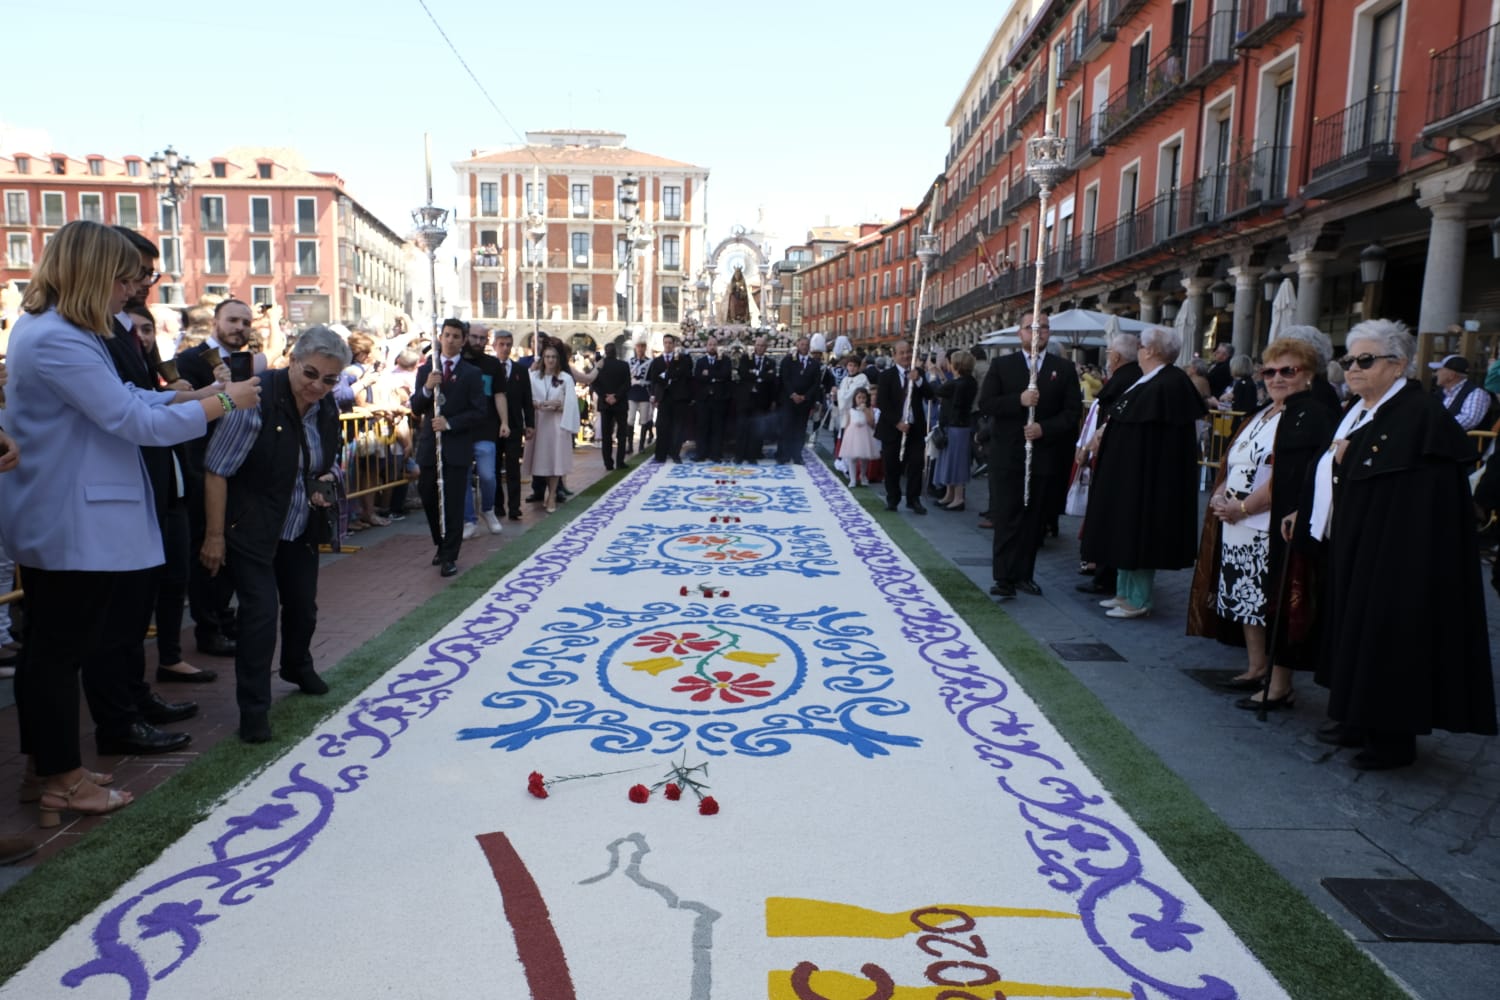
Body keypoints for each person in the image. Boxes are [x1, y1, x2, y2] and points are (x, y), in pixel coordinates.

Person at [0, 221, 258, 825]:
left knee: (53, 647)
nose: (129, 291)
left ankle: (49, 769)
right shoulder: (58, 337)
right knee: (59, 651)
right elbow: (130, 420)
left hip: (68, 511)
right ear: (94, 275)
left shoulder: (58, 330)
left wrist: (184, 399)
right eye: (124, 279)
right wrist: (221, 402)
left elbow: (127, 399)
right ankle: (62, 779)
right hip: (72, 516)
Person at [1304, 320, 1496, 769]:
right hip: (1360, 543)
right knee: (1354, 629)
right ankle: (1355, 716)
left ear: (1399, 364)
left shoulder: (1418, 415)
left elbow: (1416, 492)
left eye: (1365, 360)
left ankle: (1390, 738)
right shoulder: (1365, 408)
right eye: (1349, 360)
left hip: (1398, 554)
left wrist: (1352, 457)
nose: (1353, 368)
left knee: (1389, 636)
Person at [200, 327, 345, 743]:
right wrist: (214, 536)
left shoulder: (326, 406)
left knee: (303, 607)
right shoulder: (255, 398)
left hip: (299, 523)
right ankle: (254, 709)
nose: (318, 386)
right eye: (311, 374)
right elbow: (216, 469)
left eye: (330, 379)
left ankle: (297, 666)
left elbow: (324, 460)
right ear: (293, 360)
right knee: (260, 616)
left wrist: (325, 481)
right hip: (251, 526)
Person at [1188, 337, 1336, 710]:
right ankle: (1256, 667)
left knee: (1273, 604)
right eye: (1269, 371)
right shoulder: (1262, 411)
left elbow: (1289, 474)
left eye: (1288, 370)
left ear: (1308, 374)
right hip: (1237, 523)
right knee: (1246, 600)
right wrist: (1220, 495)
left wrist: (1243, 507)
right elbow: (1235, 460)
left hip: (1269, 525)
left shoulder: (1309, 414)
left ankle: (1280, 683)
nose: (1277, 378)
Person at [1081, 324, 1205, 618]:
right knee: (1124, 532)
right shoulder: (1149, 380)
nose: (1137, 351)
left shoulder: (1169, 384)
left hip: (1146, 478)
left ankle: (1138, 599)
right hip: (1128, 474)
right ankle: (1123, 592)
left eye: (1140, 346)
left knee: (1138, 535)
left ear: (1149, 351)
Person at [175, 298, 258, 658]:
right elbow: (186, 411)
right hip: (200, 467)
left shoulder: (247, 361)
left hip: (236, 468)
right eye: (233, 320)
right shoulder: (189, 361)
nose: (240, 327)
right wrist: (219, 392)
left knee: (229, 549)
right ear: (215, 321)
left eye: (246, 322)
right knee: (206, 551)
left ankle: (224, 618)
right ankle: (208, 629)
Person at [978, 315, 1082, 598]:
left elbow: (1072, 412)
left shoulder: (1063, 368)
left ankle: (1024, 574)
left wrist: (1044, 429)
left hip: (1043, 456)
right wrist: (1019, 400)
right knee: (1006, 516)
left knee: (1033, 520)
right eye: (1030, 328)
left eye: (1043, 327)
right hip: (1008, 455)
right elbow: (986, 404)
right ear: (1020, 333)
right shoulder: (1002, 365)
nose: (1037, 332)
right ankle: (1004, 577)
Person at [413, 319, 487, 577]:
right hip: (430, 447)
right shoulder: (427, 370)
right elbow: (416, 406)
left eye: (456, 336)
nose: (451, 340)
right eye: (447, 335)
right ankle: (440, 543)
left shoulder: (471, 373)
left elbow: (479, 411)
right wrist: (427, 388)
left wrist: (451, 423)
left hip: (456, 447)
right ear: (440, 337)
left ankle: (450, 556)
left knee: (454, 503)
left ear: (463, 340)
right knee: (428, 495)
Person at [1073, 333, 1143, 595]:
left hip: (1113, 460)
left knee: (1107, 515)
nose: (1108, 357)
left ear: (1116, 357)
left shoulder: (1125, 379)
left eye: (1110, 352)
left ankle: (1104, 575)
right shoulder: (1132, 377)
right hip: (1115, 457)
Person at [458, 322, 510, 538]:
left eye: (482, 338)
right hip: (460, 427)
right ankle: (469, 520)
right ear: (466, 337)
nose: (478, 342)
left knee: (488, 475)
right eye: (474, 337)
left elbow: (499, 394)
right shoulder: (456, 362)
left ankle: (487, 509)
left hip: (486, 427)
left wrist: (504, 422)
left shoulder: (492, 364)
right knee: (463, 477)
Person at [875, 339, 930, 514]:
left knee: (916, 464)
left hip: (915, 428)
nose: (906, 356)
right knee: (891, 465)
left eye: (908, 352)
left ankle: (913, 499)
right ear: (894, 356)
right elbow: (882, 402)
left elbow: (930, 394)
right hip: (892, 428)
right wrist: (897, 422)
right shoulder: (886, 376)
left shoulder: (918, 373)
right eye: (902, 353)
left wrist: (919, 380)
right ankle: (893, 498)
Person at [530, 342, 581, 511]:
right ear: (542, 359)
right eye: (547, 357)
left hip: (558, 422)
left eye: (553, 357)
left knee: (556, 460)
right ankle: (548, 492)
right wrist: (536, 404)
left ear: (558, 359)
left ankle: (551, 495)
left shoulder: (565, 378)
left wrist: (560, 405)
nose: (550, 360)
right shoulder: (534, 376)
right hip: (540, 422)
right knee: (545, 460)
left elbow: (571, 403)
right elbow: (526, 397)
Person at [492, 331, 533, 520]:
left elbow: (527, 399)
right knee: (493, 467)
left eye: (508, 344)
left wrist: (529, 424)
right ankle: (498, 505)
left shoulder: (520, 370)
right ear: (495, 345)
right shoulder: (490, 368)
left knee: (513, 467)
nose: (505, 348)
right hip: (493, 425)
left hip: (515, 425)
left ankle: (515, 507)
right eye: (501, 344)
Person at [933, 350, 981, 512]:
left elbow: (940, 390)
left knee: (956, 462)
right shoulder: (969, 382)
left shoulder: (960, 383)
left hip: (956, 426)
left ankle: (958, 498)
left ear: (957, 365)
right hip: (959, 425)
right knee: (951, 460)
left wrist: (935, 375)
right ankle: (950, 494)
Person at [648, 333, 693, 463]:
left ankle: (675, 453)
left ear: (674, 345)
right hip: (663, 397)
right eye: (666, 343)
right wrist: (653, 395)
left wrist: (666, 375)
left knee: (677, 427)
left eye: (670, 343)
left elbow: (684, 373)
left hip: (678, 397)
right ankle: (661, 454)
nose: (668, 345)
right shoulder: (657, 361)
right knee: (662, 426)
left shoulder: (682, 359)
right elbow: (654, 378)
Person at [777, 336, 822, 464]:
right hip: (789, 401)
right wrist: (793, 394)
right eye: (802, 344)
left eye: (807, 345)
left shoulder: (814, 363)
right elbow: (784, 379)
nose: (804, 347)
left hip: (804, 402)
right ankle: (783, 455)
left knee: (800, 429)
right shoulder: (788, 360)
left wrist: (805, 397)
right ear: (797, 345)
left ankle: (797, 455)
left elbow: (816, 383)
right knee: (786, 427)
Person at [735, 335, 779, 463]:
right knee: (742, 428)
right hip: (746, 399)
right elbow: (743, 373)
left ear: (766, 348)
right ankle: (739, 455)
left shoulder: (770, 362)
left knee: (757, 429)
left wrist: (755, 372)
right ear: (755, 346)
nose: (759, 348)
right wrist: (761, 375)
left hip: (761, 400)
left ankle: (752, 455)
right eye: (758, 345)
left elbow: (771, 378)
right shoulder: (745, 359)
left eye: (762, 346)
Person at [693, 336, 733, 462]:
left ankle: (716, 454)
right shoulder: (701, 362)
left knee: (717, 427)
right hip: (704, 399)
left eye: (714, 345)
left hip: (719, 398)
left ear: (717, 346)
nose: (712, 347)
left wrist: (709, 374)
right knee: (702, 427)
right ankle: (701, 453)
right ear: (706, 346)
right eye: (710, 344)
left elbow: (725, 375)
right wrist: (716, 376)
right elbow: (698, 377)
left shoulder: (725, 360)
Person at [592, 340, 631, 469]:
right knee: (621, 434)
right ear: (616, 352)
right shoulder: (623, 365)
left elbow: (595, 384)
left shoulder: (599, 366)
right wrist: (616, 396)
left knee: (606, 434)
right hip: (620, 403)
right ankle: (620, 462)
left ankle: (608, 463)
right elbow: (627, 384)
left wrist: (605, 396)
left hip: (605, 404)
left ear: (605, 352)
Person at [1428, 354, 1491, 431]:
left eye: (1439, 370)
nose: (1436, 373)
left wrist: (1433, 425)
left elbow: (1468, 420)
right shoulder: (1440, 392)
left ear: (1451, 375)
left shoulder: (1476, 394)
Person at [840, 386, 880, 486]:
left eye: (864, 398)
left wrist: (865, 411)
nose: (861, 400)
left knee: (864, 458)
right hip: (852, 435)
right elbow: (847, 424)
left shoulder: (869, 409)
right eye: (859, 397)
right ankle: (852, 479)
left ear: (867, 399)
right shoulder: (851, 410)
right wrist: (845, 438)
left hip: (865, 435)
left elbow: (872, 423)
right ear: (855, 398)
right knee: (852, 458)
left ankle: (862, 475)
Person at [625, 338, 655, 455]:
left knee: (644, 420)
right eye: (638, 346)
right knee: (630, 419)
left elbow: (652, 379)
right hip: (632, 392)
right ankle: (630, 445)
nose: (640, 349)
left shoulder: (650, 362)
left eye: (642, 346)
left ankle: (641, 445)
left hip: (644, 392)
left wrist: (651, 392)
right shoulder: (630, 361)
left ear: (645, 348)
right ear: (635, 347)